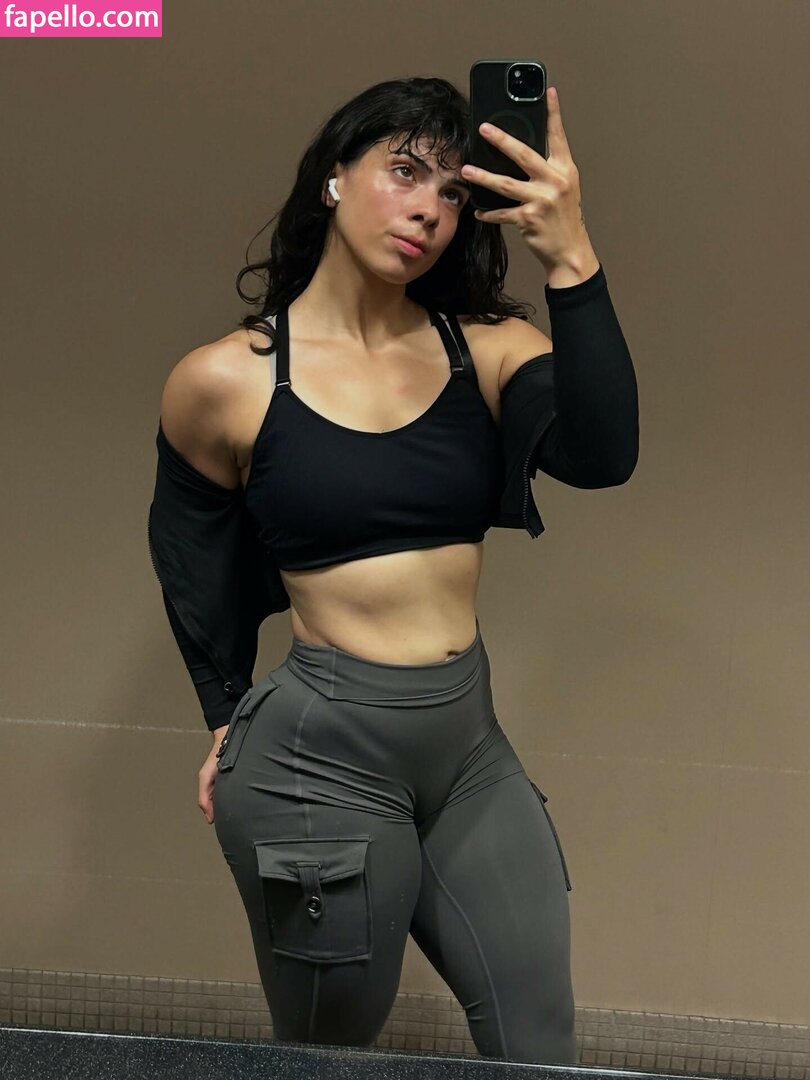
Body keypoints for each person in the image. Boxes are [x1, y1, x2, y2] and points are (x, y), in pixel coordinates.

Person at [148, 76, 639, 1063]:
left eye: (453, 191)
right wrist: (224, 713)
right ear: (335, 177)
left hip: (468, 753)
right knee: (328, 1055)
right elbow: (192, 558)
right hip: (314, 761)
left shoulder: (486, 351)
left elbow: (604, 455)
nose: (428, 209)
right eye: (404, 171)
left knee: (539, 1042)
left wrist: (571, 253)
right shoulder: (226, 379)